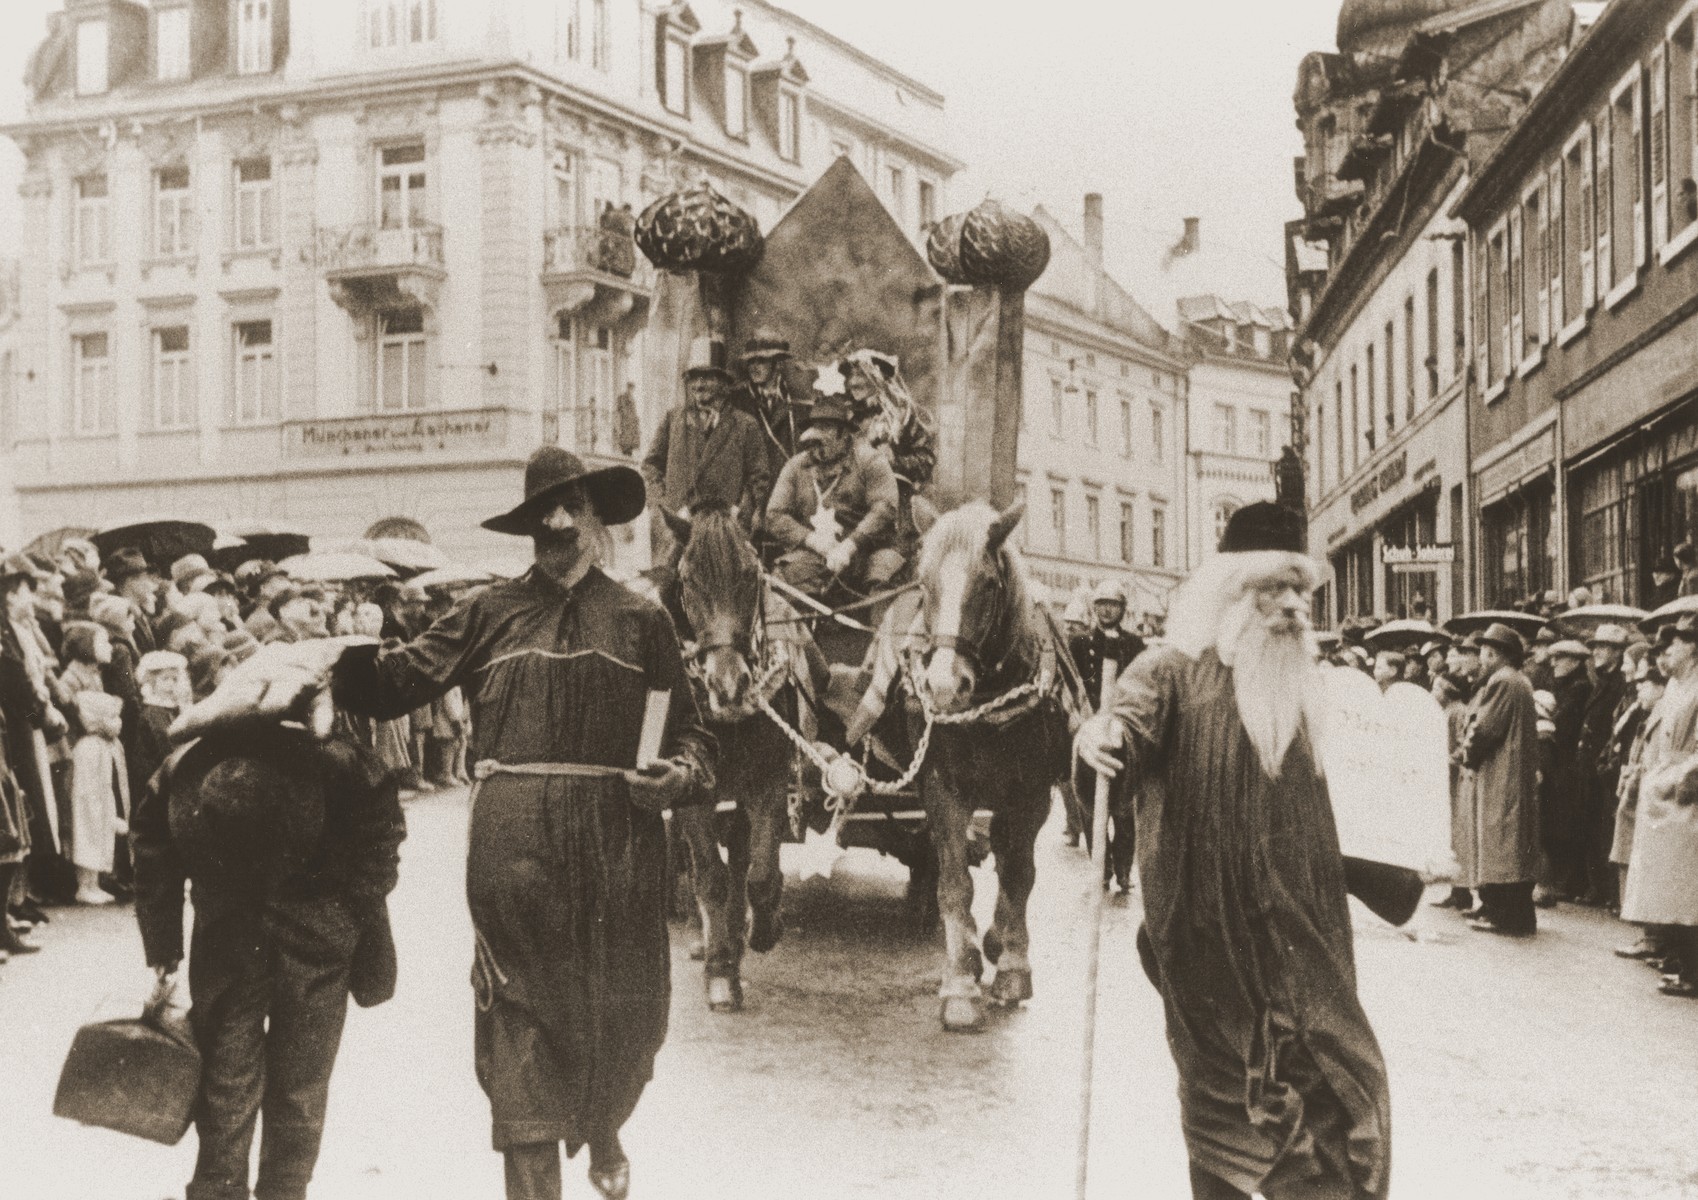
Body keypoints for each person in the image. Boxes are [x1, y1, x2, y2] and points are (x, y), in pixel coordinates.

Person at [332, 446, 716, 1200]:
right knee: (520, 1012)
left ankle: (604, 1121)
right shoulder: (486, 612)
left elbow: (694, 735)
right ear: (528, 526)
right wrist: (332, 649)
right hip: (515, 854)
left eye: (573, 506)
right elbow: (390, 685)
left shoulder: (642, 618)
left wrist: (677, 776)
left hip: (621, 847)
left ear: (598, 517)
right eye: (544, 510)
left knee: (623, 1015)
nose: (559, 521)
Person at [1074, 502, 1391, 1200]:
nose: (1289, 607)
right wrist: (1099, 741)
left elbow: (1338, 827)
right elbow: (1123, 731)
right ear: (1229, 592)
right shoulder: (1170, 672)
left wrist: (1404, 862)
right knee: (1226, 1112)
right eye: (1271, 589)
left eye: (1298, 592)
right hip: (1211, 949)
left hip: (1305, 952)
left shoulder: (1308, 688)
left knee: (1344, 1099)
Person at [132, 705, 405, 1200]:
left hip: (299, 930)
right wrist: (163, 942)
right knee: (248, 1078)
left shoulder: (335, 763)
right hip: (243, 934)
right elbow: (153, 846)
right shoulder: (187, 770)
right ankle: (228, 1189)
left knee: (267, 1081)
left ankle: (270, 1190)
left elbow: (380, 837)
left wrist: (351, 907)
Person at [1619, 615, 1698, 996]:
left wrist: (1684, 776)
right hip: (1663, 789)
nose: (1669, 649)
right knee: (1670, 886)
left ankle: (1692, 969)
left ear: (1693, 646)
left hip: (1684, 793)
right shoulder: (1674, 686)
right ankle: (1680, 959)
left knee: (1687, 886)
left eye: (1678, 641)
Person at [642, 342, 772, 564]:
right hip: (677, 529)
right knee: (666, 587)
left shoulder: (745, 425)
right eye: (694, 377)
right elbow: (651, 465)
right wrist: (662, 506)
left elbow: (759, 479)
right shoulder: (674, 419)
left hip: (723, 533)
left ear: (724, 383)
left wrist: (740, 515)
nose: (699, 383)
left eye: (707, 377)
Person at [764, 400, 903, 598]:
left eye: (826, 428)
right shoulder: (796, 467)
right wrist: (812, 541)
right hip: (819, 554)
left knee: (882, 588)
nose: (817, 438)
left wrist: (850, 545)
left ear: (844, 434)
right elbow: (774, 515)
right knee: (784, 581)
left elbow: (884, 509)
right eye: (815, 428)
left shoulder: (870, 461)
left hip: (869, 550)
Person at [1456, 622, 1541, 936]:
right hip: (1511, 771)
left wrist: (1468, 752)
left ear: (1497, 654)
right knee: (1511, 841)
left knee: (1499, 840)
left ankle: (1503, 914)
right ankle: (1512, 912)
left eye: (1486, 650)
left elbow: (1486, 728)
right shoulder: (1519, 681)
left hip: (1501, 773)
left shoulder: (1502, 681)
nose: (1482, 656)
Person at [1067, 580, 1146, 889]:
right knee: (1089, 805)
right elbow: (1072, 686)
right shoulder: (1079, 642)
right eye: (1100, 604)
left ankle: (1124, 868)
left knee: (1124, 807)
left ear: (1122, 609)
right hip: (1089, 732)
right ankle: (1101, 867)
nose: (1105, 609)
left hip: (1122, 731)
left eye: (1112, 604)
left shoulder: (1135, 644)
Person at [57, 622, 129, 905]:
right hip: (83, 752)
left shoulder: (93, 675)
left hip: (100, 750)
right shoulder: (71, 679)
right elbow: (85, 718)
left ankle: (94, 879)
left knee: (101, 811)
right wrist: (107, 715)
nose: (109, 648)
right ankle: (84, 882)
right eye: (103, 642)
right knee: (87, 812)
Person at [1611, 655, 1665, 963]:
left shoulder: (1663, 712)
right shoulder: (1648, 712)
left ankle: (1654, 936)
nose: (1639, 689)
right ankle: (1649, 934)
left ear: (1660, 687)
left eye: (1645, 684)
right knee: (1633, 862)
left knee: (1643, 864)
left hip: (1647, 795)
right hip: (1635, 792)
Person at [1535, 639, 1593, 904]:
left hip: (1565, 764)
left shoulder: (1578, 688)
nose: (1554, 662)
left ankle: (1567, 882)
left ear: (1576, 661)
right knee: (1557, 823)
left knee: (1562, 824)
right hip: (1560, 762)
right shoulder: (1565, 686)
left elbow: (1563, 725)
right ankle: (1562, 881)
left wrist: (1545, 723)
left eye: (1560, 658)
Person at [1577, 624, 1631, 907]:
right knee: (1592, 825)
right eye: (1596, 646)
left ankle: (1610, 891)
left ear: (1617, 653)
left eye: (1604, 647)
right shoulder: (1601, 681)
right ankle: (1598, 887)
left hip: (1605, 766)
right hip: (1591, 765)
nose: (1597, 651)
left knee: (1606, 827)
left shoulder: (1619, 683)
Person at [730, 330, 811, 483]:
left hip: (786, 484)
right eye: (750, 362)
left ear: (778, 364)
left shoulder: (798, 399)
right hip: (751, 486)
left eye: (761, 361)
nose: (754, 367)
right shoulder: (737, 400)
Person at [105, 548, 163, 655]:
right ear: (130, 582)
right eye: (145, 578)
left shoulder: (136, 611)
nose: (150, 584)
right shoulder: (122, 617)